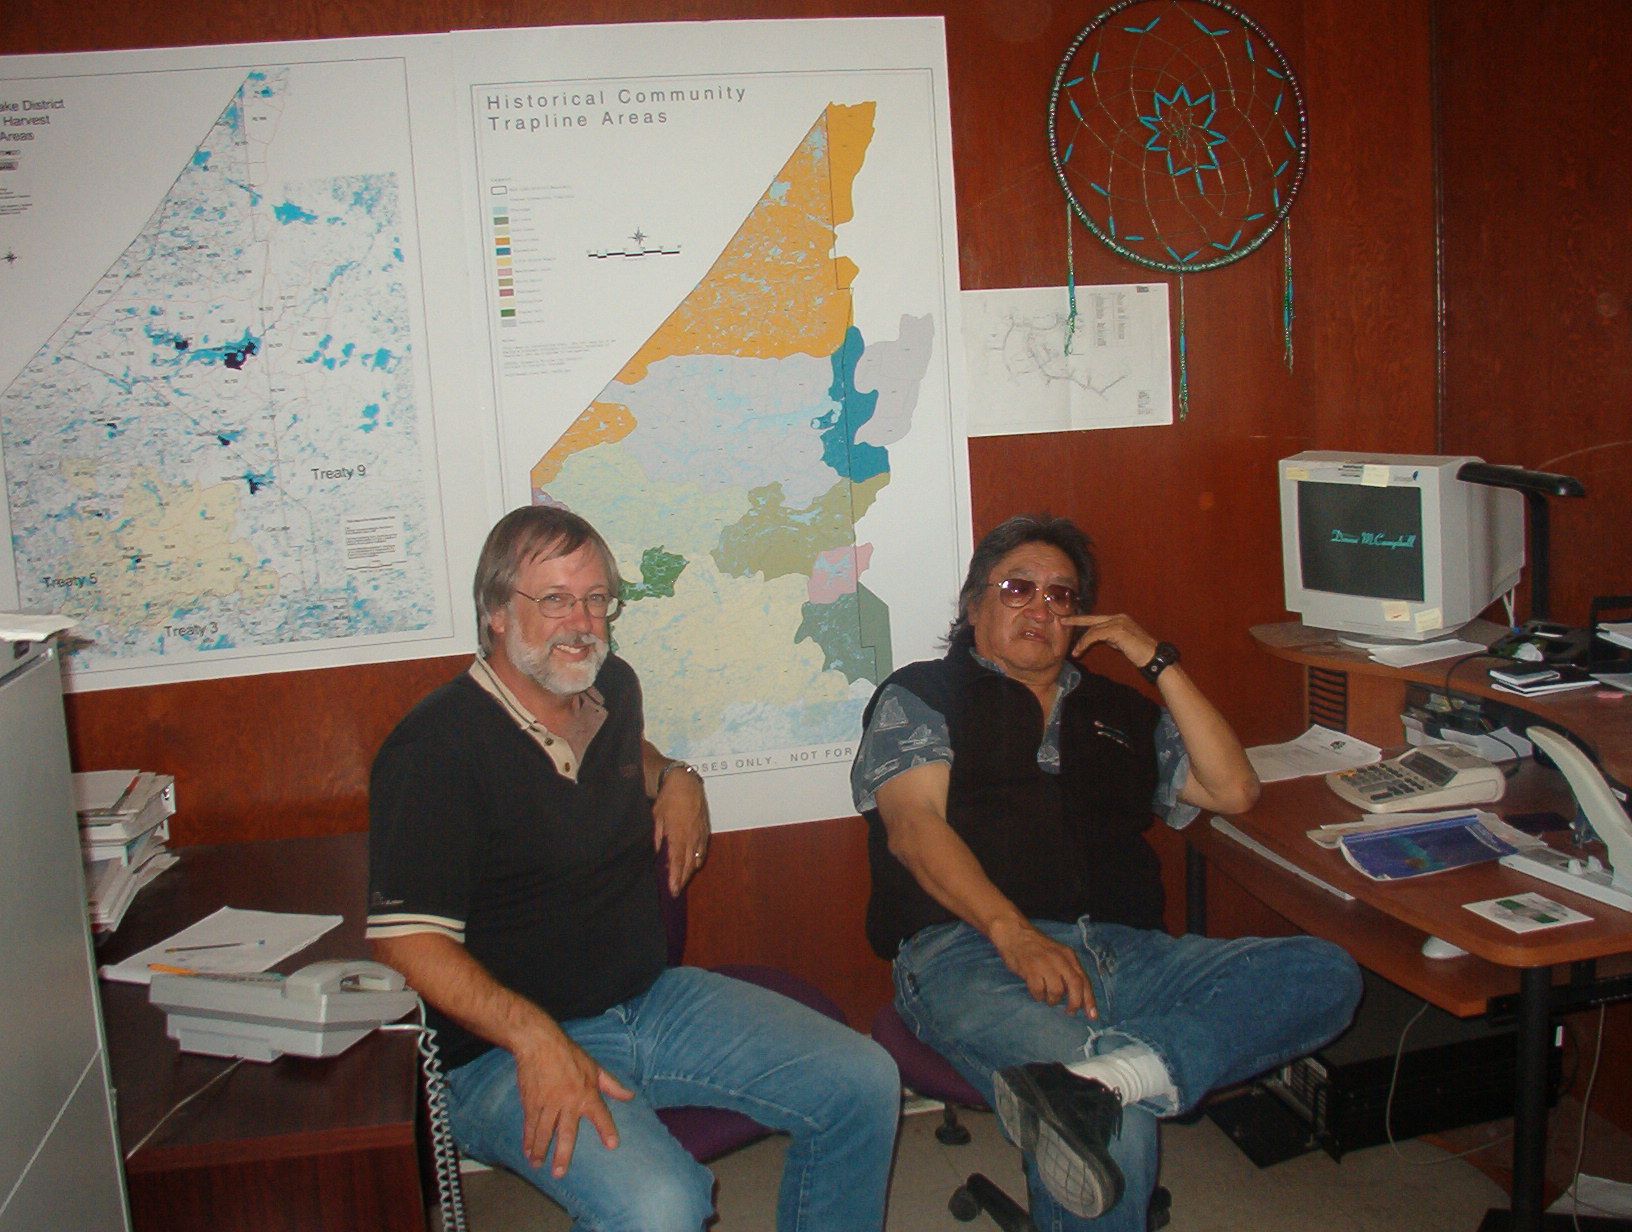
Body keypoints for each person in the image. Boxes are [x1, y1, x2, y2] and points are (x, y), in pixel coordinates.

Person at [368, 505, 899, 1232]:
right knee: (661, 1205)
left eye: (596, 599)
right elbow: (405, 942)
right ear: (496, 612)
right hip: (502, 1050)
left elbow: (620, 754)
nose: (581, 621)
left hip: (650, 1001)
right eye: (553, 599)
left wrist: (677, 775)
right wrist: (535, 1039)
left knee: (865, 1082)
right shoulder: (436, 749)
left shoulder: (609, 685)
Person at [853, 513, 1361, 1232]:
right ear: (974, 607)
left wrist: (1155, 658)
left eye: (1060, 596)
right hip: (969, 952)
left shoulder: (1120, 710)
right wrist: (1016, 933)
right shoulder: (923, 695)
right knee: (1109, 1125)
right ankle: (1110, 1086)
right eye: (1017, 587)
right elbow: (912, 830)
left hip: (1132, 952)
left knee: (1326, 973)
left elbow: (1233, 791)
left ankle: (1120, 1074)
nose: (1039, 607)